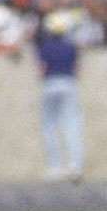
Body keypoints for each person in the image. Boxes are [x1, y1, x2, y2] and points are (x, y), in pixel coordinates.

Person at [35, 12, 85, 181]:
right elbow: (77, 69)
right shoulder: (71, 47)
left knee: (49, 127)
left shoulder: (44, 47)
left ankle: (54, 167)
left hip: (50, 84)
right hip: (68, 83)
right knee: (72, 125)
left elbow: (41, 70)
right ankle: (75, 166)